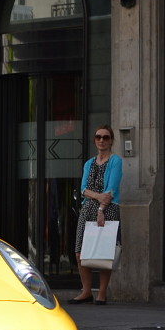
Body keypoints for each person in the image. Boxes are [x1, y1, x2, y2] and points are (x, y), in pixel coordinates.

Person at [71, 126, 122, 305]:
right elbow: (83, 188)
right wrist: (98, 196)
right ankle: (86, 291)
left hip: (108, 209)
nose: (102, 140)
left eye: (106, 137)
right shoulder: (88, 163)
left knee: (104, 252)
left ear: (111, 141)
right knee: (80, 252)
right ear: (94, 140)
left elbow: (112, 189)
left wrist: (101, 208)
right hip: (87, 209)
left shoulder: (116, 161)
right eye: (98, 137)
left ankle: (101, 292)